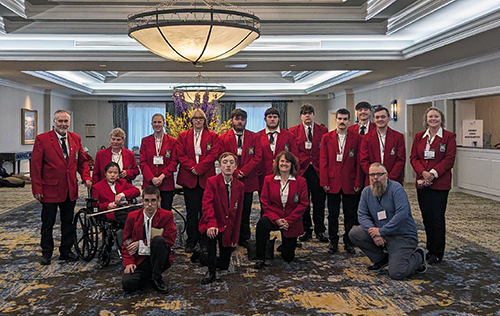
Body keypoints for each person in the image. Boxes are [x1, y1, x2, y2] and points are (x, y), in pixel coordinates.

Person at [30, 110, 92, 265]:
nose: (63, 124)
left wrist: (85, 177)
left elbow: (82, 161)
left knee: (68, 223)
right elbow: (35, 166)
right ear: (54, 122)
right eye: (60, 121)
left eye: (66, 121)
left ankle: (66, 251)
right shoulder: (42, 139)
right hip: (49, 190)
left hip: (70, 189)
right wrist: (37, 188)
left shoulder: (75, 138)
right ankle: (46, 253)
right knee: (48, 223)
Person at [349, 163, 427, 280]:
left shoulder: (396, 189)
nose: (375, 178)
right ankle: (381, 259)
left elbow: (402, 214)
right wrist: (374, 233)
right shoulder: (366, 192)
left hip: (402, 236)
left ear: (386, 175)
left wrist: (382, 231)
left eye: (379, 174)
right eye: (372, 175)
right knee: (354, 233)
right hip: (381, 233)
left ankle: (419, 256)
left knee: (397, 273)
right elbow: (362, 215)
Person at [410, 107, 456, 265]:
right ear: (426, 119)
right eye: (430, 117)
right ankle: (429, 248)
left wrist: (433, 173)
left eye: (436, 116)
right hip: (422, 183)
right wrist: (423, 172)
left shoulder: (448, 137)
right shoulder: (419, 137)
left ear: (441, 119)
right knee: (426, 218)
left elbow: (449, 159)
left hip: (440, 184)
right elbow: (414, 158)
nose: (433, 119)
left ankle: (437, 252)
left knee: (437, 218)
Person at [254, 151, 308, 269]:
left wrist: (289, 220)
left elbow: (303, 204)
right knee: (262, 224)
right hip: (274, 216)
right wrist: (277, 219)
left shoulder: (301, 181)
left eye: (287, 161)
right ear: (277, 164)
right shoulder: (268, 180)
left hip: (291, 220)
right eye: (282, 161)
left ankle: (286, 245)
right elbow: (265, 202)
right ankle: (260, 257)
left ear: (292, 165)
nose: (284, 164)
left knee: (288, 257)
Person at [177, 109, 221, 252]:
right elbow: (180, 154)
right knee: (191, 211)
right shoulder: (183, 136)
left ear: (204, 120)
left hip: (205, 178)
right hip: (189, 178)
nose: (197, 121)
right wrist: (192, 168)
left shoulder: (212, 136)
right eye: (195, 118)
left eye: (200, 118)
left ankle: (203, 239)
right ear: (191, 120)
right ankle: (191, 239)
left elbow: (214, 154)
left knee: (205, 211)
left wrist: (200, 168)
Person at [320, 109, 363, 254]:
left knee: (350, 214)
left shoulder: (357, 138)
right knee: (332, 214)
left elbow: (358, 162)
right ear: (336, 120)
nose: (342, 121)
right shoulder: (327, 137)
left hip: (350, 182)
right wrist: (324, 181)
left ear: (350, 121)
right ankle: (333, 241)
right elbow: (323, 160)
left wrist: (358, 182)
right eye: (340, 119)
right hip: (332, 182)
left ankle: (348, 241)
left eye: (345, 119)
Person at [198, 152, 244, 284]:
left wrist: (235, 237)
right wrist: (211, 224)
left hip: (228, 227)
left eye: (231, 162)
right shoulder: (212, 182)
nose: (228, 165)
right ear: (219, 166)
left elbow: (238, 213)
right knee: (211, 236)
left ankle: (202, 257)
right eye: (225, 162)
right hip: (213, 224)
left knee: (224, 265)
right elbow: (207, 205)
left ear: (236, 166)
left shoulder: (240, 186)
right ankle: (211, 272)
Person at [121, 185, 177, 294]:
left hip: (160, 256)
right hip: (140, 258)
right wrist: (129, 262)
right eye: (146, 200)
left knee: (159, 240)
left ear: (159, 200)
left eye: (153, 200)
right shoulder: (132, 216)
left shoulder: (167, 215)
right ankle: (149, 276)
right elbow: (125, 241)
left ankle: (156, 278)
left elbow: (169, 240)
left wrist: (141, 244)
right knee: (127, 284)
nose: (150, 204)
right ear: (142, 200)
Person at [219, 109, 262, 247]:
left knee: (246, 210)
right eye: (237, 119)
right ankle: (228, 235)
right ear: (232, 120)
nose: (239, 121)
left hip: (248, 179)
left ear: (246, 121)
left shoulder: (254, 137)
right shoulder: (223, 138)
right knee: (229, 210)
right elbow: (221, 157)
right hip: (230, 179)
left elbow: (257, 157)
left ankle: (244, 236)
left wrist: (244, 171)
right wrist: (235, 171)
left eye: (242, 119)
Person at [289, 104, 328, 243]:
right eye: (305, 113)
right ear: (301, 116)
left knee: (319, 202)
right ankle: (306, 229)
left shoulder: (323, 130)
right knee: (303, 203)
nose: (307, 115)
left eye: (310, 113)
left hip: (318, 171)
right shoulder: (293, 131)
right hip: (301, 171)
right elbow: (292, 152)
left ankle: (320, 230)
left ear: (314, 115)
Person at [140, 113, 178, 211]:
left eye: (159, 122)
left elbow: (174, 162)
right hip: (149, 183)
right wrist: (152, 178)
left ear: (163, 124)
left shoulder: (172, 141)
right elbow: (143, 162)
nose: (157, 124)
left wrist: (161, 177)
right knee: (149, 210)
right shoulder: (145, 141)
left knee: (166, 210)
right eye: (155, 122)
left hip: (166, 182)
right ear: (151, 124)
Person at [360, 106, 405, 186]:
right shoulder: (366, 138)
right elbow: (364, 161)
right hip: (372, 181)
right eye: (377, 117)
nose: (380, 119)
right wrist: (375, 176)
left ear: (389, 118)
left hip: (393, 180)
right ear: (373, 120)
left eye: (383, 117)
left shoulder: (398, 137)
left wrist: (388, 178)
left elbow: (400, 160)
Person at [257, 107, 299, 193]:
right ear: (265, 119)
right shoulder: (257, 136)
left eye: (275, 117)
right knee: (265, 201)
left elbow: (295, 156)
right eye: (270, 117)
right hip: (263, 175)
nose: (272, 119)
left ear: (279, 119)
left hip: (284, 174)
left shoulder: (289, 135)